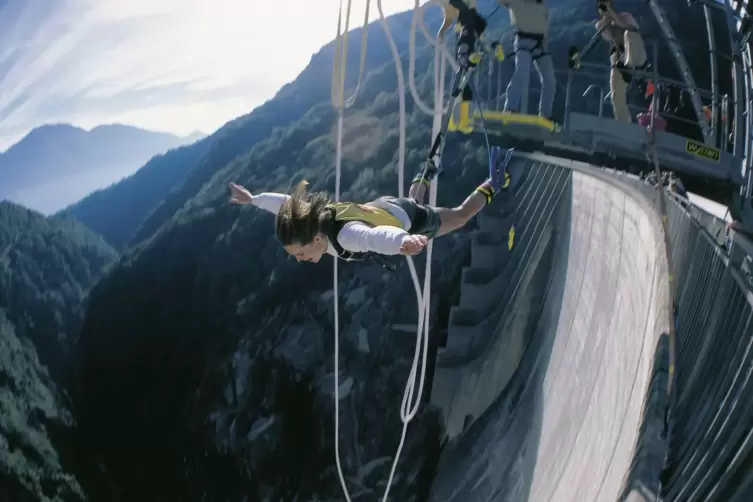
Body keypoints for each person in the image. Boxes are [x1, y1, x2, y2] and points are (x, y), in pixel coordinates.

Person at [228, 148, 513, 263]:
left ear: (316, 239)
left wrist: (403, 242)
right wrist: (253, 200)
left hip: (405, 221)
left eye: (301, 254)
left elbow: (374, 238)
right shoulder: (312, 218)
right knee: (413, 200)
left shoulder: (344, 235)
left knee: (460, 216)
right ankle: (423, 173)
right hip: (383, 206)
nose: (301, 260)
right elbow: (286, 205)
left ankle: (493, 182)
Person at [501, 0, 555, 120]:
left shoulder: (541, 5)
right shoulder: (517, 2)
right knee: (522, 71)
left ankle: (546, 114)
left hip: (540, 44)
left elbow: (545, 27)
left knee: (549, 80)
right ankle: (510, 108)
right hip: (523, 41)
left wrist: (544, 44)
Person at [596, 0, 647, 123]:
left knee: (629, 34)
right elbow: (605, 34)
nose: (606, 12)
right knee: (616, 96)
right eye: (604, 9)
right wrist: (608, 21)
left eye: (608, 8)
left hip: (637, 54)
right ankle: (624, 124)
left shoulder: (627, 17)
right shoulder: (602, 24)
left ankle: (629, 68)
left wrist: (614, 16)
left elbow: (628, 29)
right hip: (620, 60)